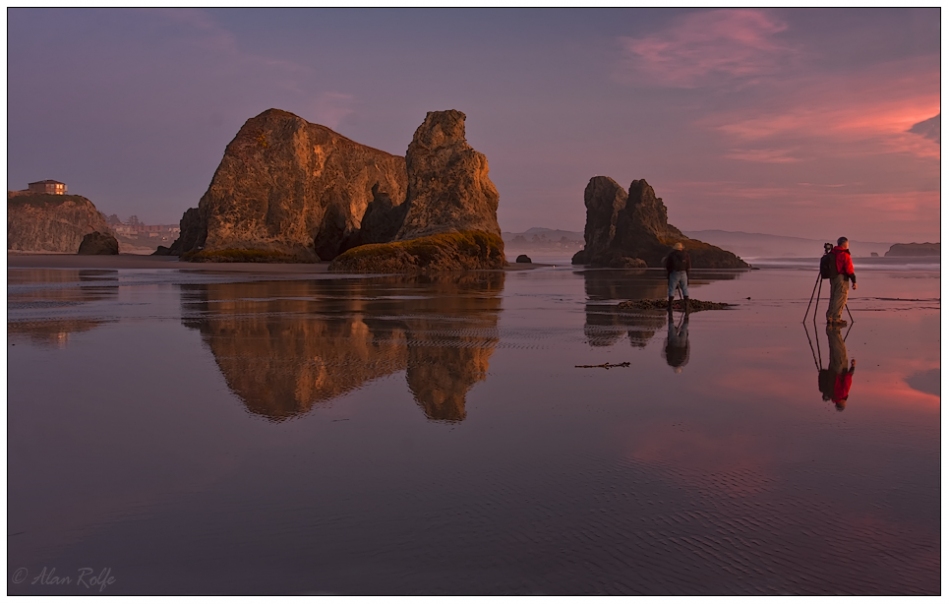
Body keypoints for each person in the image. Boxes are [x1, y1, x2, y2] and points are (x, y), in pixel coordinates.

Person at [826, 236, 857, 325]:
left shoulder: (833, 253)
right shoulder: (844, 254)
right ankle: (836, 318)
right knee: (840, 298)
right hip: (842, 278)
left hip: (833, 278)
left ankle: (830, 317)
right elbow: (849, 269)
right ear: (845, 243)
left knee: (833, 297)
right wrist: (854, 281)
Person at [824, 323, 856, 410]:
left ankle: (833, 328)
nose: (846, 402)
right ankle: (831, 329)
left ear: (841, 403)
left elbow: (847, 379)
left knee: (839, 348)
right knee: (833, 349)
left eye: (844, 404)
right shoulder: (831, 396)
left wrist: (853, 367)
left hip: (840, 369)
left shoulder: (842, 394)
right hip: (831, 370)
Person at [665, 242, 691, 310]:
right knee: (685, 288)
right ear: (681, 248)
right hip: (683, 273)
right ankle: (687, 305)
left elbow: (668, 266)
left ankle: (670, 306)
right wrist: (687, 275)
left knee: (672, 289)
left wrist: (669, 274)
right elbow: (688, 266)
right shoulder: (686, 255)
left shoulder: (671, 255)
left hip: (674, 273)